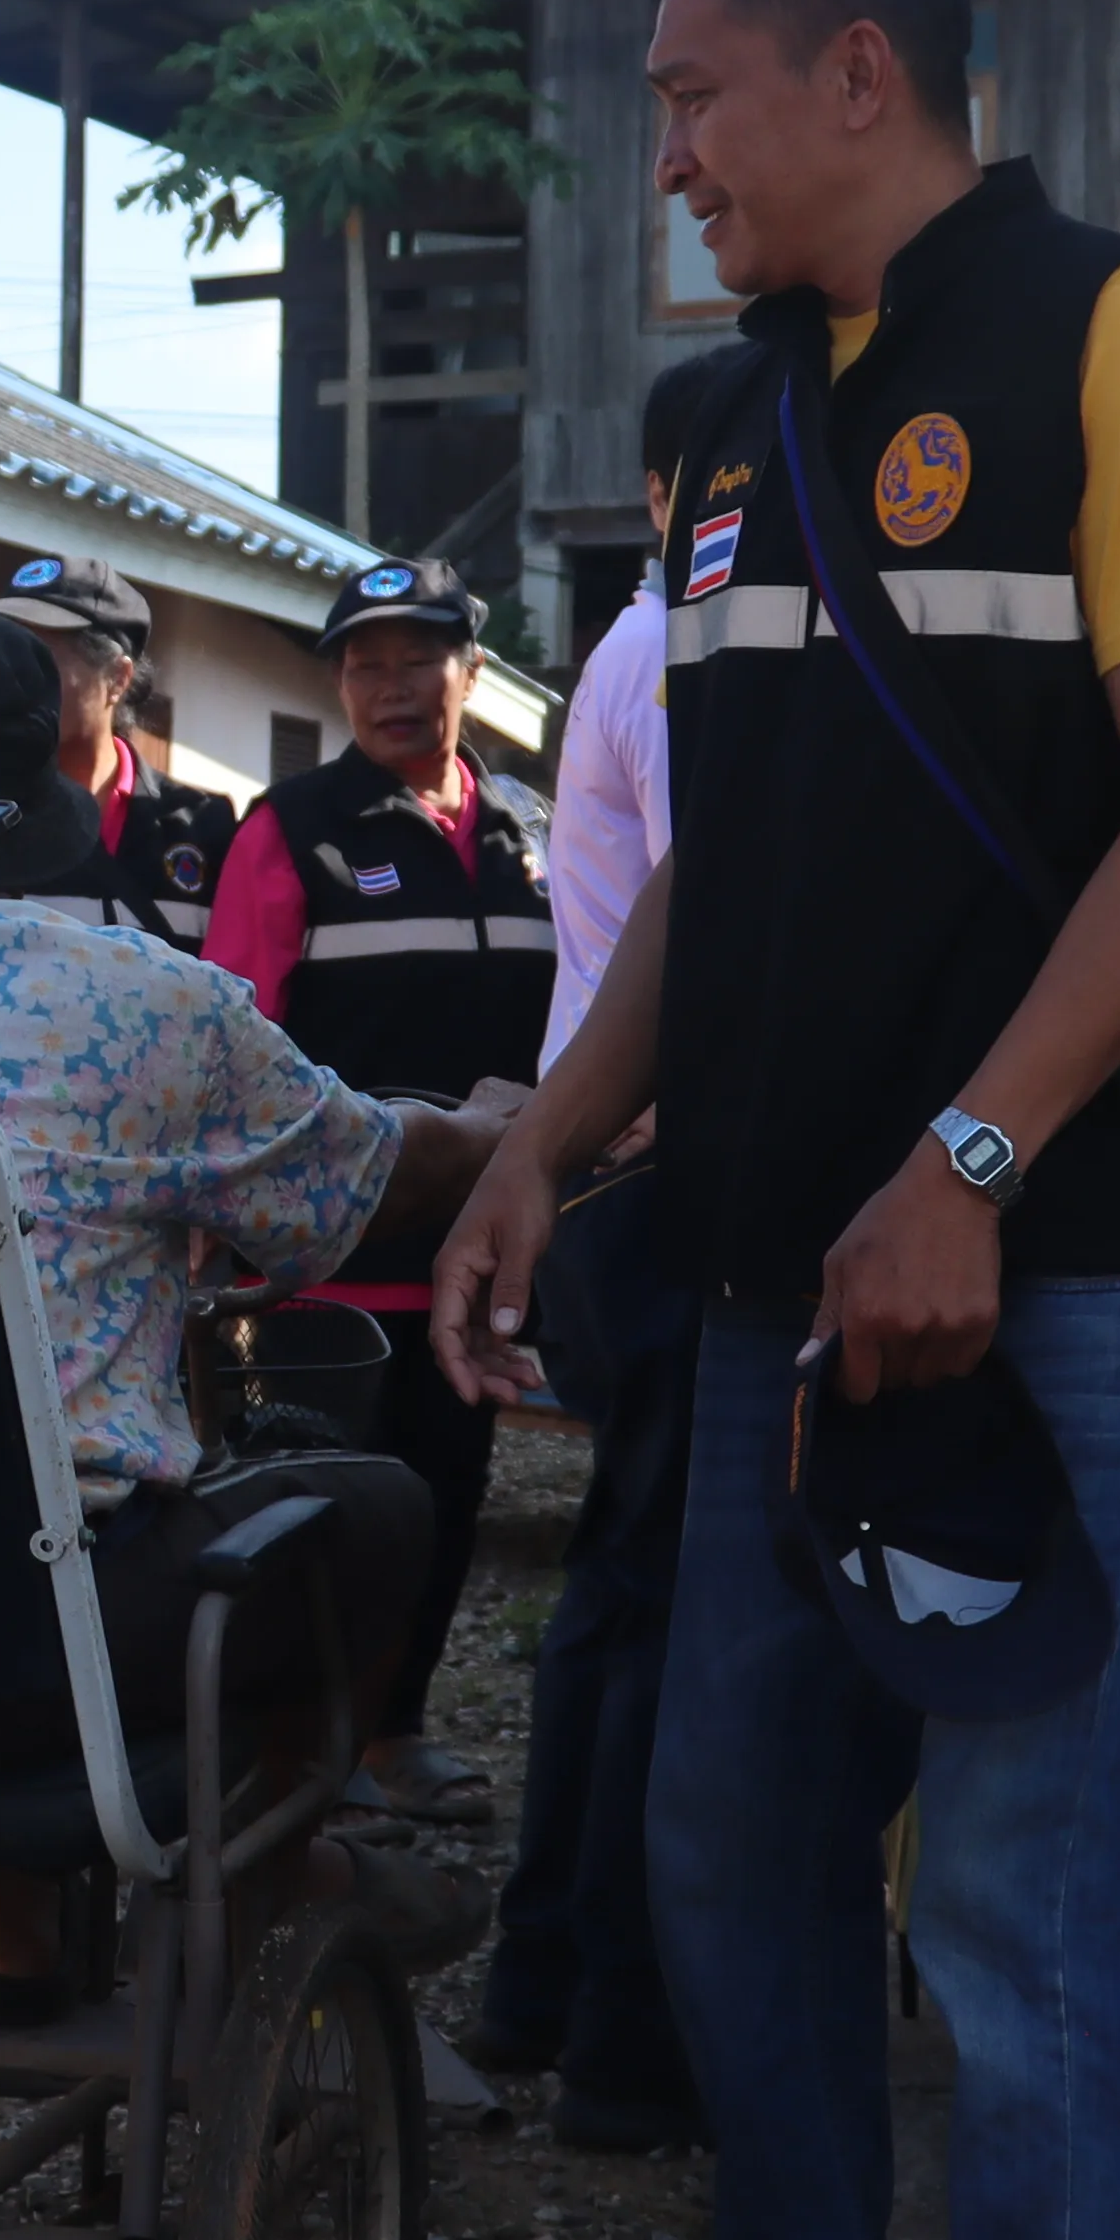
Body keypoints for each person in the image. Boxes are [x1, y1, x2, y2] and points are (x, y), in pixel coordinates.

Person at [428, 0, 1120, 2240]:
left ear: (854, 81)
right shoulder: (717, 423)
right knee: (720, 1852)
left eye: (688, 96)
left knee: (1046, 1937)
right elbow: (709, 864)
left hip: (1019, 1302)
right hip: (778, 1299)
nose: (656, 153)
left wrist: (968, 1156)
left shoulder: (1115, 335)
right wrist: (543, 1141)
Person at [0, 604, 500, 2014]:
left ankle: (13, 1948)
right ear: (39, 797)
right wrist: (514, 1134)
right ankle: (269, 1873)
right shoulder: (146, 1007)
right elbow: (369, 1178)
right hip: (23, 1668)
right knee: (377, 1505)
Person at [204, 557, 552, 1812]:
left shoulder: (522, 836)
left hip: (478, 1242)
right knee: (321, 1504)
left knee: (450, 1488)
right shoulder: (290, 829)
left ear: (471, 671)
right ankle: (298, 1749)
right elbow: (240, 1034)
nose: (390, 685)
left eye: (416, 657)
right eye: (364, 663)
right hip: (324, 1261)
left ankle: (393, 1729)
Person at [472, 358, 716, 2148]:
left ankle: (554, 1992)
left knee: (619, 1610)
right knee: (656, 1623)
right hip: (647, 1176)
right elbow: (718, 930)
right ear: (658, 498)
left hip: (613, 1175)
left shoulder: (636, 655)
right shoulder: (683, 659)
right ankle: (616, 2033)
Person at [0, 551, 236, 947]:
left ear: (118, 678)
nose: (17, 681)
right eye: (7, 656)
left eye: (41, 660)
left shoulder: (201, 826)